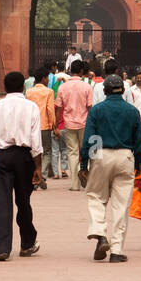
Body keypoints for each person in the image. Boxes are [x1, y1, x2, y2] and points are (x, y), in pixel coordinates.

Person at [0, 71, 43, 261]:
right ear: (23, 87)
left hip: (2, 157)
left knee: (3, 201)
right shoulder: (31, 108)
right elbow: (36, 139)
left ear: (4, 87)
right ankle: (27, 243)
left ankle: (2, 248)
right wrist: (38, 167)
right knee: (23, 201)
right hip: (24, 157)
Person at [81, 75, 141, 263]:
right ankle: (117, 250)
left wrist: (86, 163)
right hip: (126, 155)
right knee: (121, 205)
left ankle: (100, 234)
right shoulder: (132, 111)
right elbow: (138, 142)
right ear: (123, 91)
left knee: (96, 196)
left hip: (101, 153)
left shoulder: (97, 110)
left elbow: (90, 139)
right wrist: (138, 163)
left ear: (105, 91)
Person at [57, 62, 93, 191]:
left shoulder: (63, 87)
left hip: (69, 123)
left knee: (72, 152)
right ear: (82, 71)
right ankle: (83, 174)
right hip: (84, 123)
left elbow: (59, 107)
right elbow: (90, 107)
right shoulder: (87, 87)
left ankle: (75, 184)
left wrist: (56, 125)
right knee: (84, 151)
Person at [25, 67, 57, 187]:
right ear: (43, 78)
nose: (48, 80)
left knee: (33, 151)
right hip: (44, 126)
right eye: (47, 77)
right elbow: (50, 110)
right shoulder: (49, 92)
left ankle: (36, 175)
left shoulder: (29, 92)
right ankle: (41, 176)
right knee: (47, 152)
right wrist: (53, 125)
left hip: (31, 126)